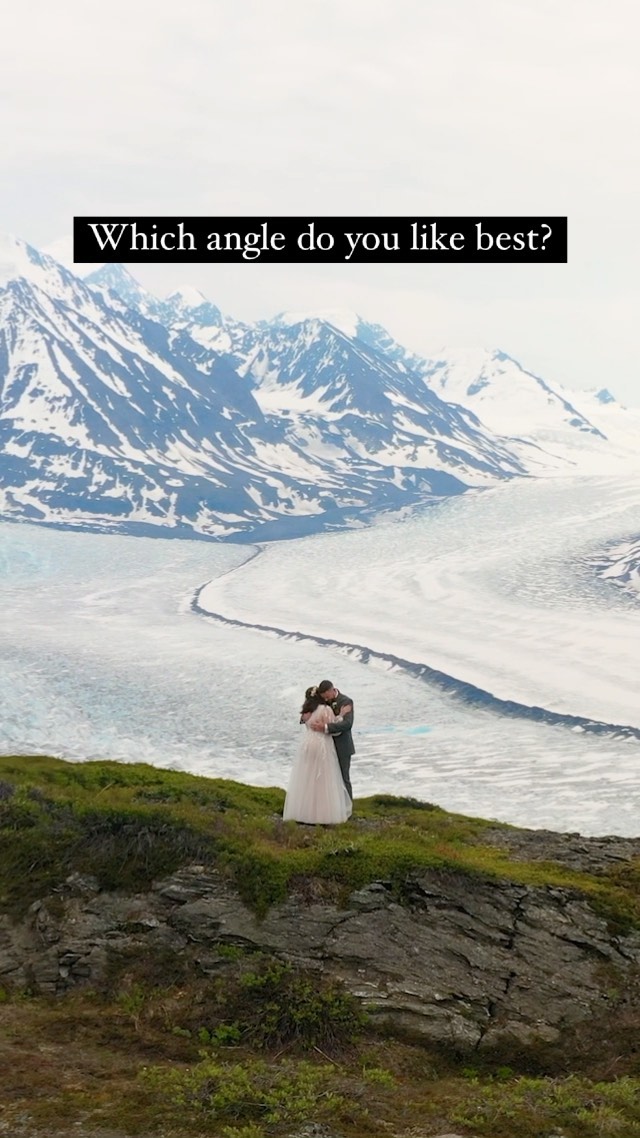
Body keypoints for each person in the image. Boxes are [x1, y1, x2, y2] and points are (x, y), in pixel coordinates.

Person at [283, 686, 352, 824]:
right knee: (322, 779)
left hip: (307, 744)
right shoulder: (324, 710)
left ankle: (303, 812)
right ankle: (321, 814)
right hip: (321, 744)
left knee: (307, 777)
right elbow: (334, 730)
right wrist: (341, 715)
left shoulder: (306, 713)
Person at [307, 679, 355, 802]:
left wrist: (326, 727)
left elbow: (347, 724)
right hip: (326, 746)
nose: (326, 699)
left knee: (344, 778)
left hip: (342, 746)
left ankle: (347, 808)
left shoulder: (346, 701)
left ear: (331, 690)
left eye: (326, 696)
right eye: (323, 697)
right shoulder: (324, 704)